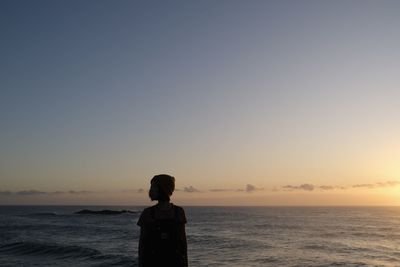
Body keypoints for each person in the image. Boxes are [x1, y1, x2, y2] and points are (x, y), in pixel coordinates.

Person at [137, 174, 188, 267]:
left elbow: (183, 243)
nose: (150, 190)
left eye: (153, 187)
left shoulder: (179, 212)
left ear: (163, 189)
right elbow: (142, 246)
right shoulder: (147, 213)